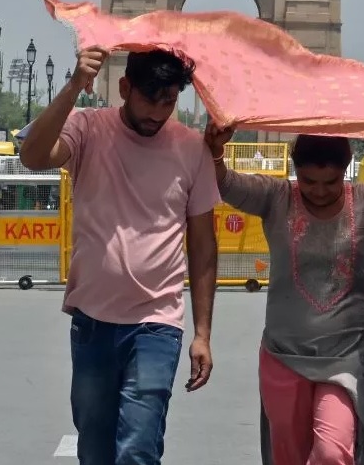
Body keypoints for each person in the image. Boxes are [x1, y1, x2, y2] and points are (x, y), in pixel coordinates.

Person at [19, 48, 220, 465]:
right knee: (95, 448)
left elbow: (203, 246)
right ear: (124, 87)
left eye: (169, 101)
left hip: (157, 322)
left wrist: (202, 333)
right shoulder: (87, 128)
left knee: (138, 448)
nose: (158, 112)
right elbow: (32, 157)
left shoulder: (191, 149)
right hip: (93, 320)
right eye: (149, 99)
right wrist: (74, 85)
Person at [204, 125, 364, 465]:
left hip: (347, 354)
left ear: (345, 167)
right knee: (288, 456)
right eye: (308, 181)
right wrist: (215, 150)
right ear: (295, 169)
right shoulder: (276, 197)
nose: (319, 191)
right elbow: (225, 182)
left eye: (330, 182)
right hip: (284, 353)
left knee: (333, 452)